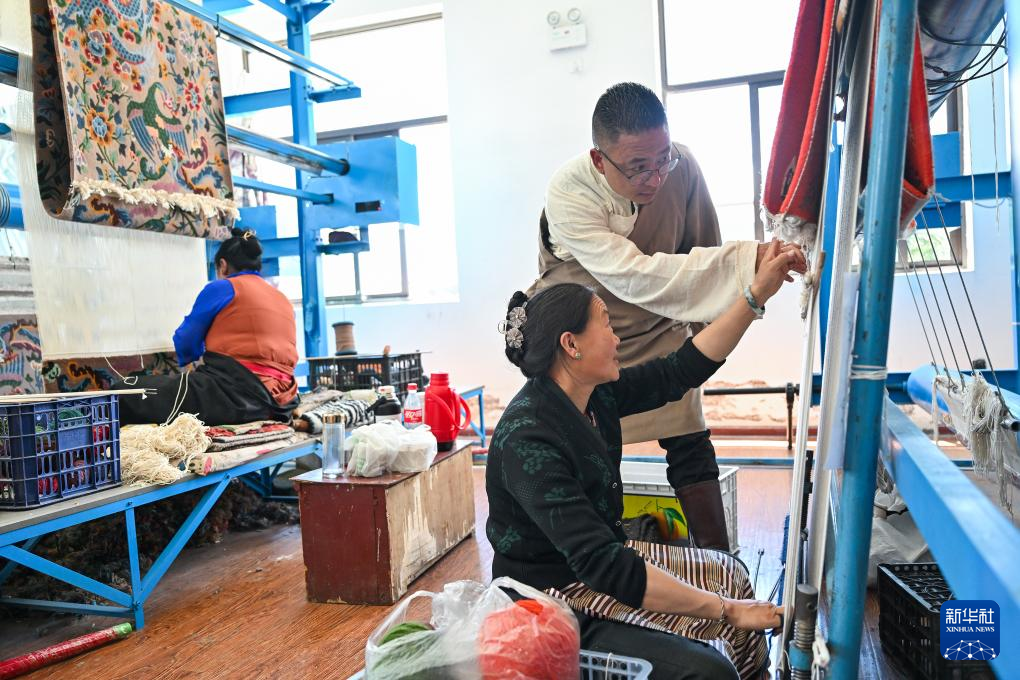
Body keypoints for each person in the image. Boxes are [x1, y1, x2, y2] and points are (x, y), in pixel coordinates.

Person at [487, 241, 803, 679]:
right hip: (550, 596)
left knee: (730, 574)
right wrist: (727, 610)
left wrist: (756, 295)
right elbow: (602, 564)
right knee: (709, 667)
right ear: (571, 344)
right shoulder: (528, 438)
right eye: (606, 324)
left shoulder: (594, 395)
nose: (617, 338)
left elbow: (680, 370)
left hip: (600, 562)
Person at [531, 82, 805, 550]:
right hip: (588, 335)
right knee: (588, 448)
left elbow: (702, 244)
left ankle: (720, 565)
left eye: (663, 160)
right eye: (638, 167)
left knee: (689, 438)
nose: (655, 178)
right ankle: (596, 555)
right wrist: (749, 260)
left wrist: (709, 328)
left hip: (661, 318)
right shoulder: (569, 192)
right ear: (599, 160)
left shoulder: (682, 166)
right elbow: (634, 275)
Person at [116, 228, 299, 425]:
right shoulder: (282, 299)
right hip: (282, 402)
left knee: (124, 393)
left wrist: (189, 359)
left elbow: (186, 340)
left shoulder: (224, 287)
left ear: (223, 265)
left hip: (235, 396)